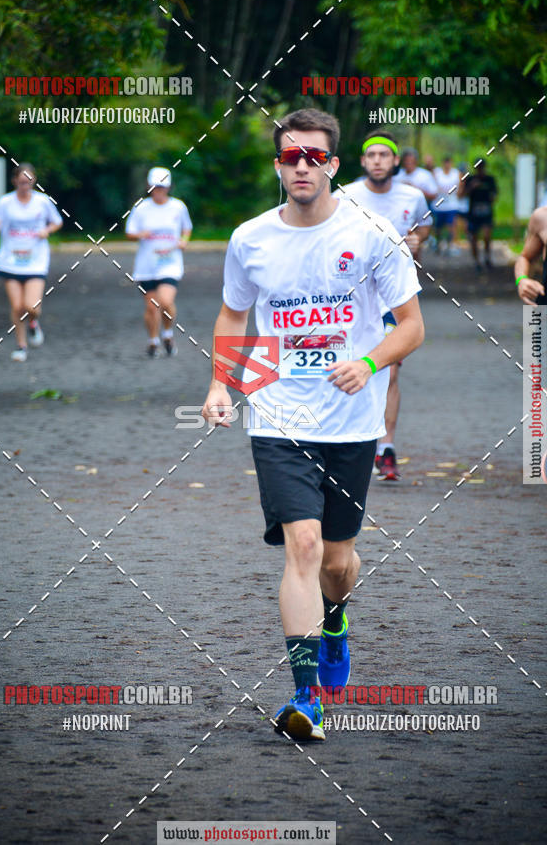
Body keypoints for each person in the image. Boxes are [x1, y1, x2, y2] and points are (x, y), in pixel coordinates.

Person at [201, 109, 424, 741]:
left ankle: (336, 622)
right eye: (291, 156)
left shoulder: (373, 234)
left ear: (332, 164)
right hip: (277, 414)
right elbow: (232, 315)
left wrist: (370, 360)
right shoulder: (250, 238)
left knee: (337, 560)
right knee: (301, 546)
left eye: (315, 157)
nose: (303, 165)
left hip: (352, 423)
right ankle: (305, 698)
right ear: (279, 165)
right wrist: (221, 383)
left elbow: (412, 326)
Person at [338, 131, 431, 481]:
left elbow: (424, 232)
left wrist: (416, 241)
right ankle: (348, 440)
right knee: (345, 365)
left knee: (388, 369)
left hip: (392, 297)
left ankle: (385, 448)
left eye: (384, 155)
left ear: (395, 161)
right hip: (351, 298)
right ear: (363, 161)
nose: (377, 160)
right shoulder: (345, 195)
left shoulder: (413, 197)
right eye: (371, 155)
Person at [0, 163, 63, 362]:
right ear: (14, 182)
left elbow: (57, 221)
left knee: (32, 306)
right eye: (21, 183)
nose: (25, 187)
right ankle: (21, 346)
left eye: (28, 183)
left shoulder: (42, 202)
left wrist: (47, 230)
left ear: (34, 181)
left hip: (35, 261)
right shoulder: (5, 202)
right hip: (10, 261)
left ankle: (33, 323)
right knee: (17, 306)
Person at [125, 168, 192, 357]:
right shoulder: (141, 208)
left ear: (168, 187)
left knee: (166, 301)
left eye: (162, 187)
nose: (158, 190)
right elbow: (129, 232)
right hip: (147, 265)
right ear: (149, 187)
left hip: (170, 262)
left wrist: (183, 241)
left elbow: (187, 228)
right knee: (151, 306)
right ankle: (153, 341)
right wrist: (140, 234)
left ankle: (168, 333)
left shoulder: (178, 207)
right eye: (155, 187)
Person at [461, 159, 498, 272]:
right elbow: (462, 194)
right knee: (474, 238)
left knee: (487, 236)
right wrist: (472, 187)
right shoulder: (471, 179)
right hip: (474, 212)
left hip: (486, 211)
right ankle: (476, 261)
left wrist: (492, 198)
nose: (480, 169)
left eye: (482, 167)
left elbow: (495, 193)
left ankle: (487, 257)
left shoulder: (490, 179)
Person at [514, 206, 547, 305]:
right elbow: (525, 257)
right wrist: (522, 280)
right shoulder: (541, 216)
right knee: (532, 317)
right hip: (542, 306)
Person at [432, 156, 461, 255]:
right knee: (438, 227)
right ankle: (439, 244)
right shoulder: (437, 173)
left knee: (451, 226)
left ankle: (450, 244)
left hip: (452, 205)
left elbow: (460, 186)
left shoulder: (456, 173)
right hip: (439, 205)